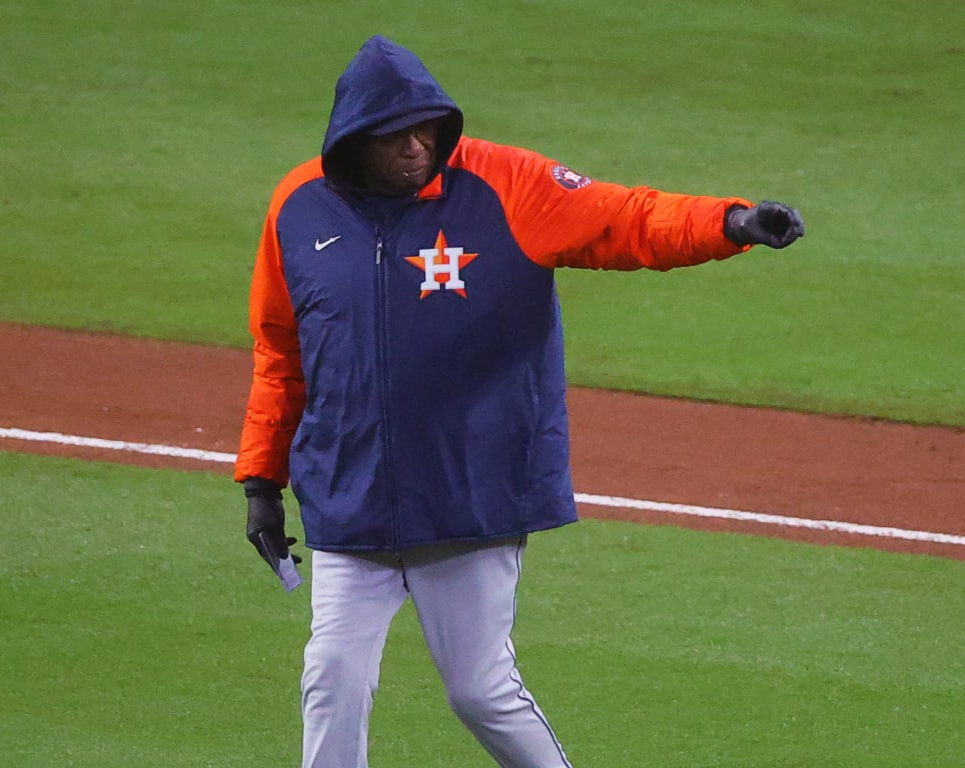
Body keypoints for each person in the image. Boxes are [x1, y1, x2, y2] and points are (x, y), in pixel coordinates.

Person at [234, 34, 805, 768]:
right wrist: (260, 481)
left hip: (469, 492)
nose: (416, 146)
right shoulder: (298, 206)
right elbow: (281, 353)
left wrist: (728, 224)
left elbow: (621, 218)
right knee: (331, 678)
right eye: (395, 135)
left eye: (427, 128)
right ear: (353, 139)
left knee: (479, 690)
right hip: (350, 495)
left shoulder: (504, 186)